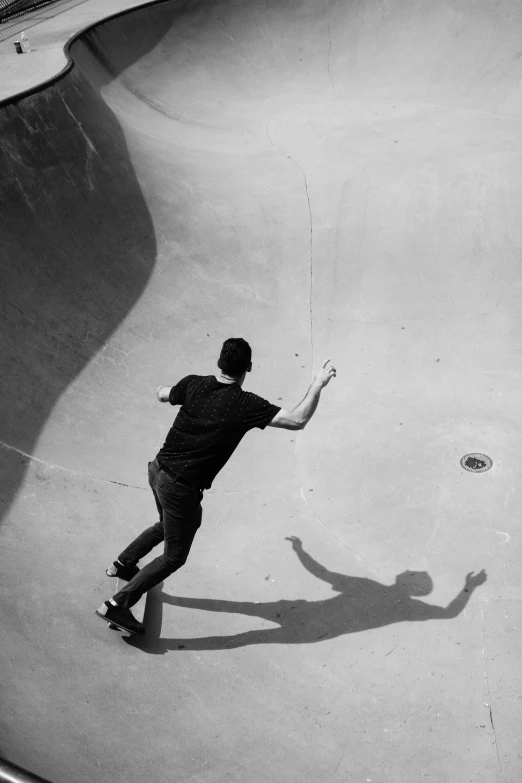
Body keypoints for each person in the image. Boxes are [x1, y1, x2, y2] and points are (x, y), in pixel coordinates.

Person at [96, 338, 337, 635]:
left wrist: (162, 392)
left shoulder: (194, 384)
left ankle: (123, 564)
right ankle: (117, 606)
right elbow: (298, 419)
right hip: (179, 488)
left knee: (172, 523)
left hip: (157, 470)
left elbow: (163, 395)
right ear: (248, 367)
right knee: (174, 556)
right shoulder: (246, 404)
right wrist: (317, 384)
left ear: (219, 363)